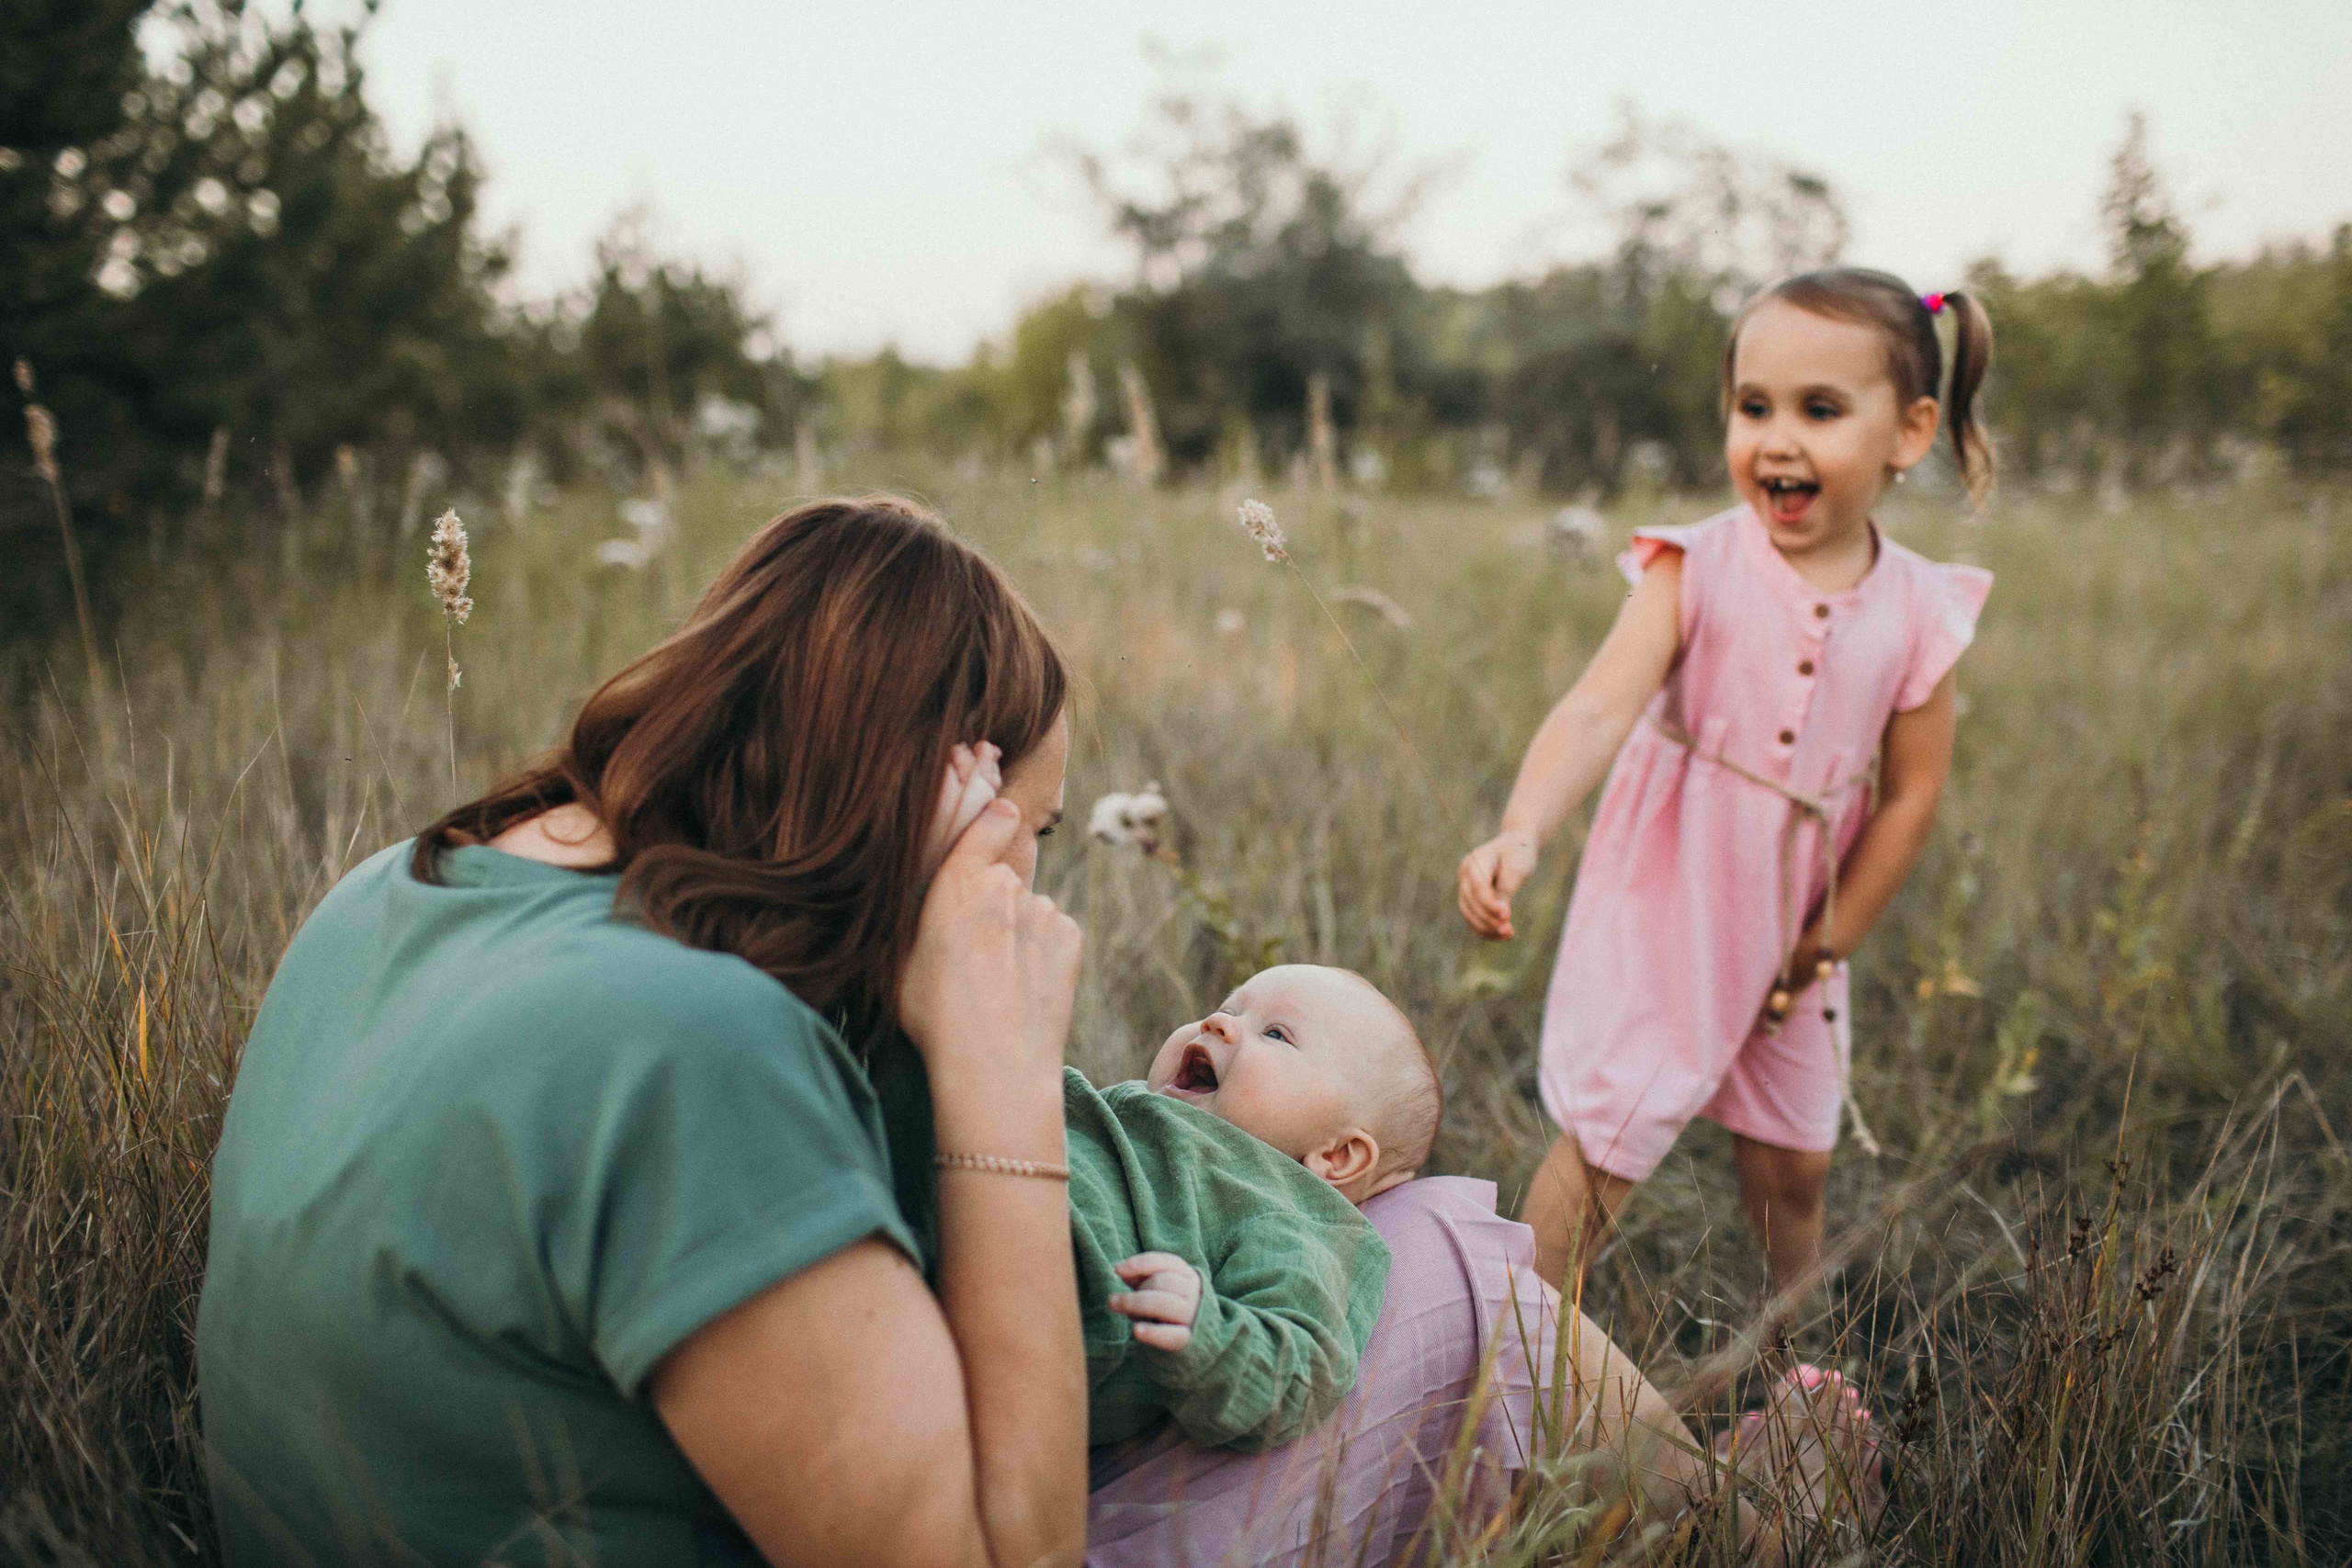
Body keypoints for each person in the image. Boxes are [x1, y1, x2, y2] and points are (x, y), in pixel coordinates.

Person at [198, 497, 1091, 1567]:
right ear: (937, 800)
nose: (1033, 881)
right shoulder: (698, 1054)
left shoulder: (392, 886)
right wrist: (1001, 1078)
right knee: (1354, 1266)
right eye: (1030, 830)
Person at [1457, 268, 1997, 1297]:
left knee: (1793, 1159)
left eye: (1820, 410)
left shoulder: (1924, 607)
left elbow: (1911, 795)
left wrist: (1824, 948)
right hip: (1671, 898)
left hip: (1803, 919)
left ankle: (1796, 1353)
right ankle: (1511, 1360)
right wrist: (1522, 827)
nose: (1777, 439)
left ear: (1909, 432)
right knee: (1610, 1142)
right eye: (1754, 408)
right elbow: (1594, 709)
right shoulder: (1693, 565)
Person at [1068, 963, 1442, 1450]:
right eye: (1227, 1009)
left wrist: (1205, 1332)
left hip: (1065, 1279)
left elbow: (1300, 1369)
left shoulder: (1284, 1211)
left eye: (1275, 1034)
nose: (1217, 1024)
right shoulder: (1138, 1108)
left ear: (1336, 1155)